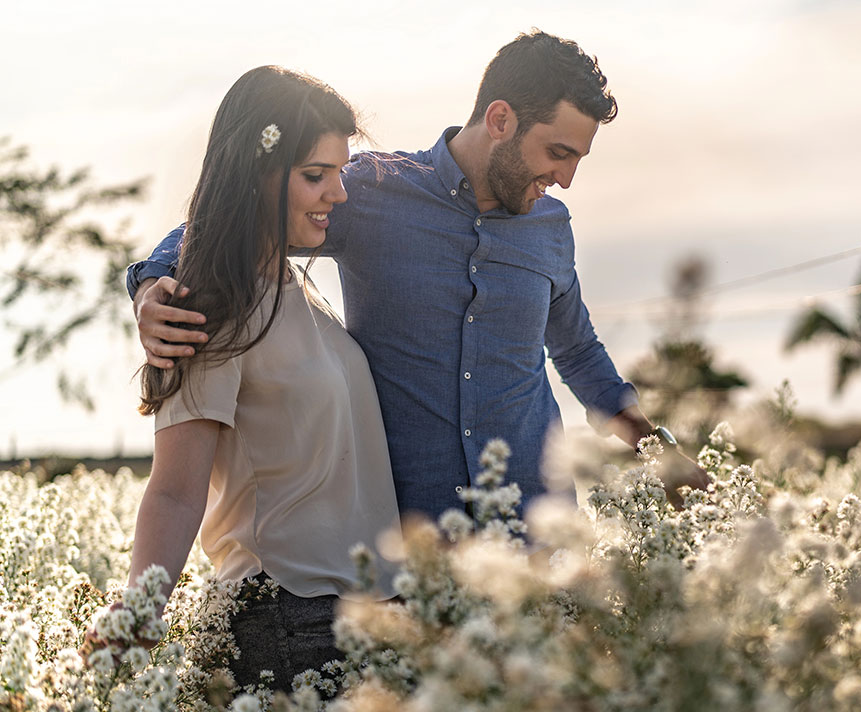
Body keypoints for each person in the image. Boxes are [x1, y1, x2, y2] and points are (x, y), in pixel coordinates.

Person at [127, 31, 709, 524]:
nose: (566, 177)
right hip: (409, 549)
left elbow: (579, 352)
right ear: (501, 119)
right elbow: (241, 217)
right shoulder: (371, 191)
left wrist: (660, 452)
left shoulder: (551, 228)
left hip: (540, 539)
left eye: (578, 158)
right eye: (558, 152)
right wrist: (153, 282)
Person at [89, 66, 402, 694]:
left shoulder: (296, 288)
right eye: (316, 176)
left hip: (360, 624)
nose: (337, 195)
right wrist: (137, 613)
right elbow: (177, 489)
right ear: (256, 175)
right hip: (286, 622)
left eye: (340, 173)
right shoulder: (209, 305)